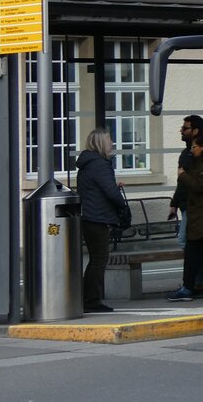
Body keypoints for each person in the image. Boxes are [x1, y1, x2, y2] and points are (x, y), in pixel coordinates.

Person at [75, 127, 125, 314]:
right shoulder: (100, 164)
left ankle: (87, 298)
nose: (112, 143)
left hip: (89, 216)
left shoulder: (88, 163)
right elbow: (110, 192)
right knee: (99, 260)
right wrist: (121, 205)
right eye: (109, 139)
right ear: (101, 143)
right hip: (98, 218)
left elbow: (97, 189)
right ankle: (92, 300)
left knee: (95, 260)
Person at [167, 132, 203, 302]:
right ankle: (189, 287)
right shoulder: (195, 163)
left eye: (195, 147)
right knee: (193, 255)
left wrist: (183, 175)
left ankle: (196, 285)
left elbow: (199, 185)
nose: (192, 150)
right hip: (196, 219)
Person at [167, 115, 203, 251]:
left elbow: (198, 181)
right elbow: (181, 182)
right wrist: (174, 204)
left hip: (195, 205)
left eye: (185, 128)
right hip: (186, 205)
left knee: (185, 241)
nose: (181, 131)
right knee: (189, 242)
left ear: (195, 131)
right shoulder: (185, 153)